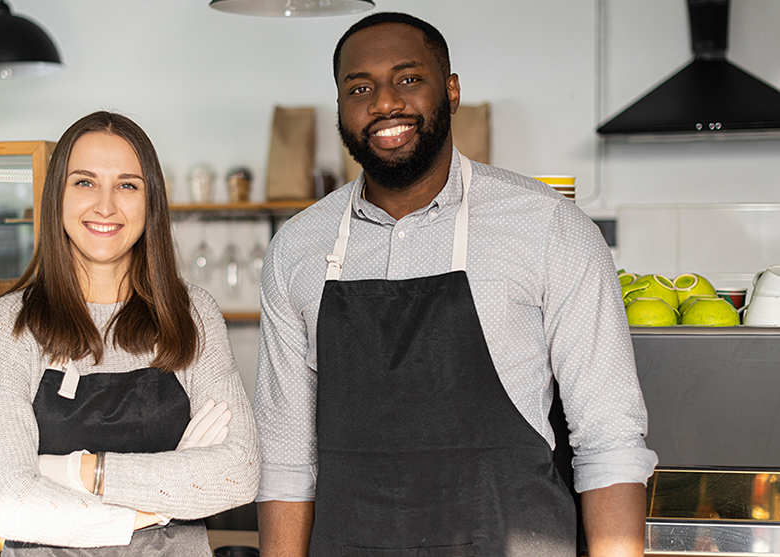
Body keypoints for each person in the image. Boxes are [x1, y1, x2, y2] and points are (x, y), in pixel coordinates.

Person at [254, 12, 658, 557]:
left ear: (451, 91)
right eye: (359, 87)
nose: (384, 102)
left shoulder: (548, 226)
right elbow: (285, 461)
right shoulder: (296, 249)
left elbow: (609, 440)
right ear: (341, 110)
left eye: (408, 78)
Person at [0, 111, 260, 556]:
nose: (105, 206)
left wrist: (81, 473)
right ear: (57, 197)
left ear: (151, 201)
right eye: (85, 182)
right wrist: (154, 509)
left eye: (127, 184)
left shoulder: (192, 314)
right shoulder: (8, 326)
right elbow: (11, 506)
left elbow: (238, 473)